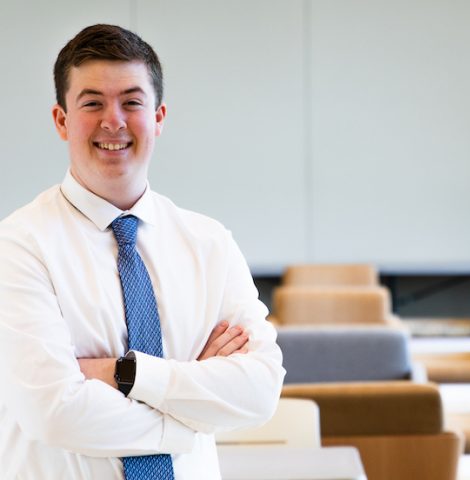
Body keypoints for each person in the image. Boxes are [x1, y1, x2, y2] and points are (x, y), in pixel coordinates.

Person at [0, 24, 285, 479]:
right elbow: (52, 411)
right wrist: (191, 416)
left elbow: (259, 391)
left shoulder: (209, 243)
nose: (113, 120)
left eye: (132, 101)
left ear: (158, 117)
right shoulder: (18, 245)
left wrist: (125, 374)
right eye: (92, 102)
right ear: (62, 120)